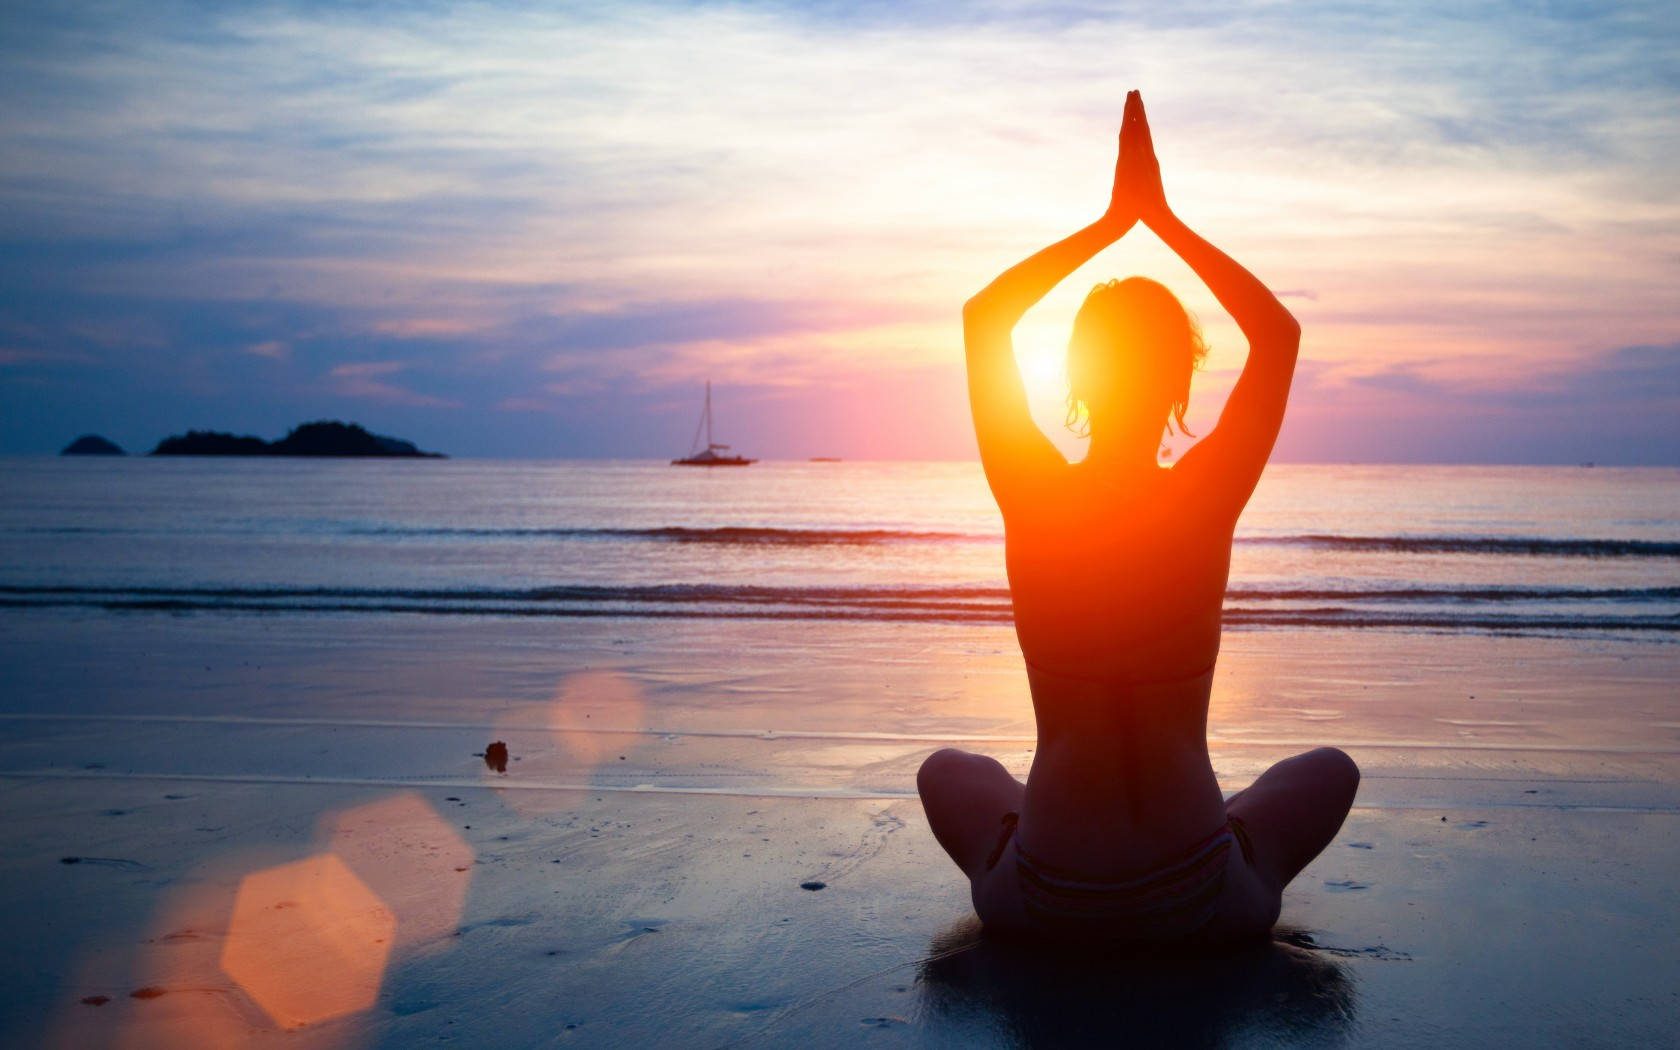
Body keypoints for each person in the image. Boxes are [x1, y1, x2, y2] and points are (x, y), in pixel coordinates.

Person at [918, 91, 1358, 944]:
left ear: (1076, 381)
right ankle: (1234, 844)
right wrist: (1162, 218)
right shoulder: (1205, 497)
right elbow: (1277, 335)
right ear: (1180, 385)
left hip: (1048, 900)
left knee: (949, 771)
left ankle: (1025, 843)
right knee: (1329, 769)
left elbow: (984, 320)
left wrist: (1110, 222)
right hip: (1196, 900)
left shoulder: (1032, 490)